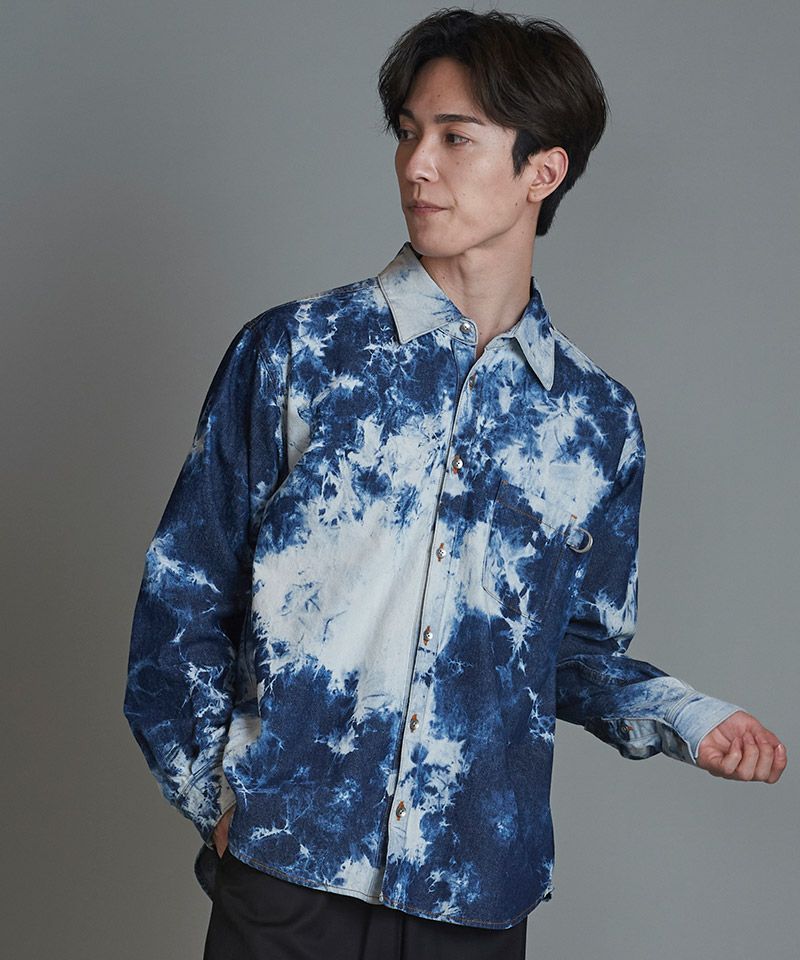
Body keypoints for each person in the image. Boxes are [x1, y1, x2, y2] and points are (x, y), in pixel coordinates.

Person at [123, 9, 787, 959]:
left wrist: (689, 716)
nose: (416, 165)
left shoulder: (595, 421)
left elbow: (570, 652)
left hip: (475, 895)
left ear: (542, 172)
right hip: (288, 872)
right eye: (408, 133)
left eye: (454, 137)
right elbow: (182, 596)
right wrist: (223, 799)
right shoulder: (299, 354)